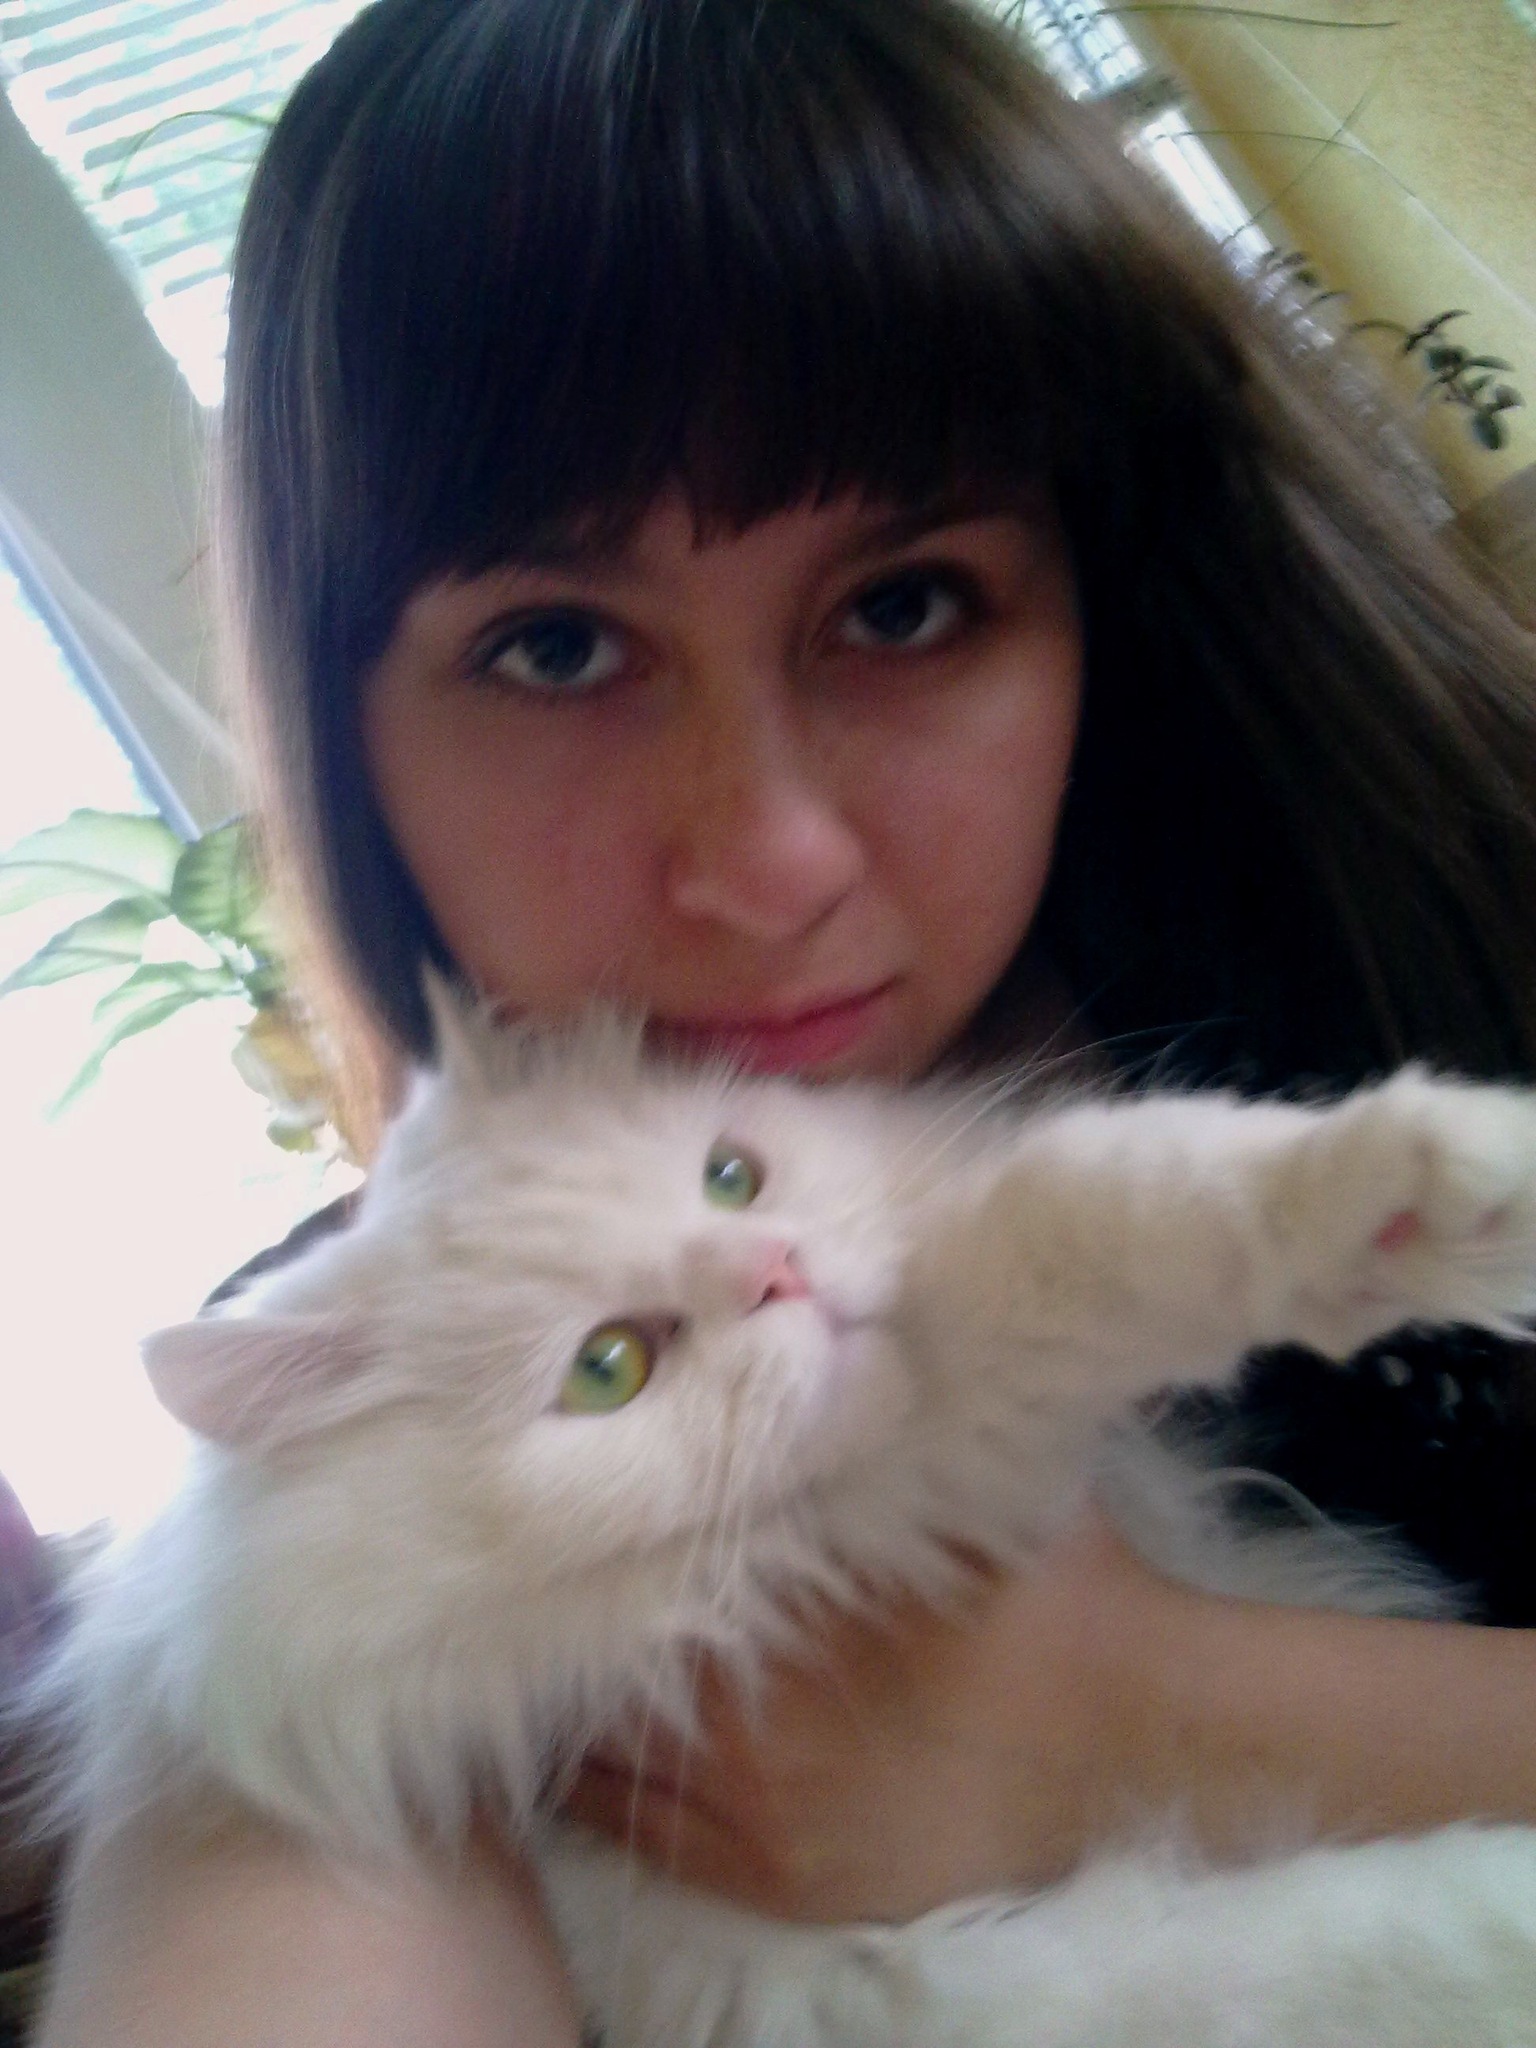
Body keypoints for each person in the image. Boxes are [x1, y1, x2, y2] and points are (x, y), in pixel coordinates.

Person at [35, 0, 1536, 2040]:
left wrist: (1148, 1712)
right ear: (346, 713)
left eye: (902, 603)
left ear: (1102, 581)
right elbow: (272, 1899)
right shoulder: (363, 1420)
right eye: (556, 645)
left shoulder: (1454, 917)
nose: (768, 859)